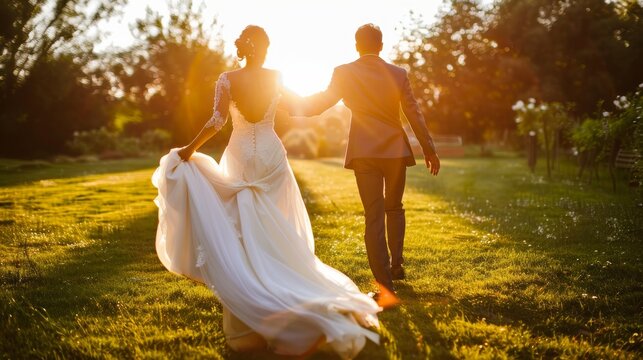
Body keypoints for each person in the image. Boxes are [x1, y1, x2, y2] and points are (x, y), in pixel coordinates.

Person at [152, 25, 380, 359]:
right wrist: (340, 92)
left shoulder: (227, 79)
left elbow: (217, 121)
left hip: (242, 156)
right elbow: (303, 107)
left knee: (246, 231)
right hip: (272, 157)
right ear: (266, 48)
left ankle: (253, 310)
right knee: (277, 227)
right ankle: (282, 292)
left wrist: (188, 149)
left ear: (242, 48)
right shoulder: (276, 77)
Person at [282, 24, 440, 300]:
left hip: (364, 151)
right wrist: (429, 149)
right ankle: (396, 266)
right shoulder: (398, 74)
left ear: (357, 45)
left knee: (374, 214)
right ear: (381, 46)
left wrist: (285, 102)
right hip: (394, 151)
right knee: (395, 206)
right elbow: (413, 113)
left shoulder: (344, 72)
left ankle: (386, 286)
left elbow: (319, 104)